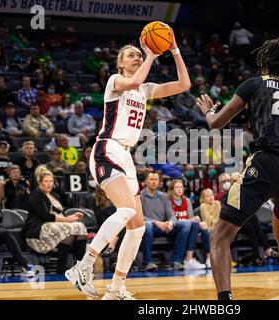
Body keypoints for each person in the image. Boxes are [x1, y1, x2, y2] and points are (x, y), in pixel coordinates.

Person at [65, 29, 191, 300]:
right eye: (131, 55)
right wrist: (151, 55)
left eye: (138, 54)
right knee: (124, 210)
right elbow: (134, 81)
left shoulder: (145, 89)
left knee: (137, 227)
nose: (136, 57)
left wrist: (175, 50)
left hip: (126, 156)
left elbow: (184, 85)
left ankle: (116, 287)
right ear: (121, 63)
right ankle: (83, 266)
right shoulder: (115, 81)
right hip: (107, 148)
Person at [196, 38, 279, 300]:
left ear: (264, 61)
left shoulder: (255, 83)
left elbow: (217, 123)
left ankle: (225, 302)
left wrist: (209, 112)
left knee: (220, 237)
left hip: (265, 163)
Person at [23, 168, 87, 275]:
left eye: (51, 181)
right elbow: (46, 216)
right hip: (39, 228)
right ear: (40, 182)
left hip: (54, 223)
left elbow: (59, 213)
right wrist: (68, 220)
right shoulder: (36, 196)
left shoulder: (54, 195)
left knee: (80, 226)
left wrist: (71, 217)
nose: (49, 184)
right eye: (46, 181)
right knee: (68, 232)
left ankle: (81, 267)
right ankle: (61, 269)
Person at [141, 172, 191, 271]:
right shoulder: (140, 196)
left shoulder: (163, 196)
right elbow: (140, 217)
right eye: (151, 179)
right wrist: (156, 222)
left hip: (164, 227)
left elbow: (171, 215)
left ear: (159, 182)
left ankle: (176, 261)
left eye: (156, 179)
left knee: (185, 224)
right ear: (146, 181)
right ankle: (147, 262)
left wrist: (171, 223)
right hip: (150, 227)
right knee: (147, 225)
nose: (154, 182)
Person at [168, 179, 209, 269]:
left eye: (181, 187)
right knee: (192, 225)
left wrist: (195, 219)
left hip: (188, 228)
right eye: (177, 187)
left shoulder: (186, 200)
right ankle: (189, 259)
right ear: (172, 190)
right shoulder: (168, 201)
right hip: (174, 228)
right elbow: (169, 218)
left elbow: (190, 217)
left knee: (199, 224)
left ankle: (200, 258)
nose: (179, 189)